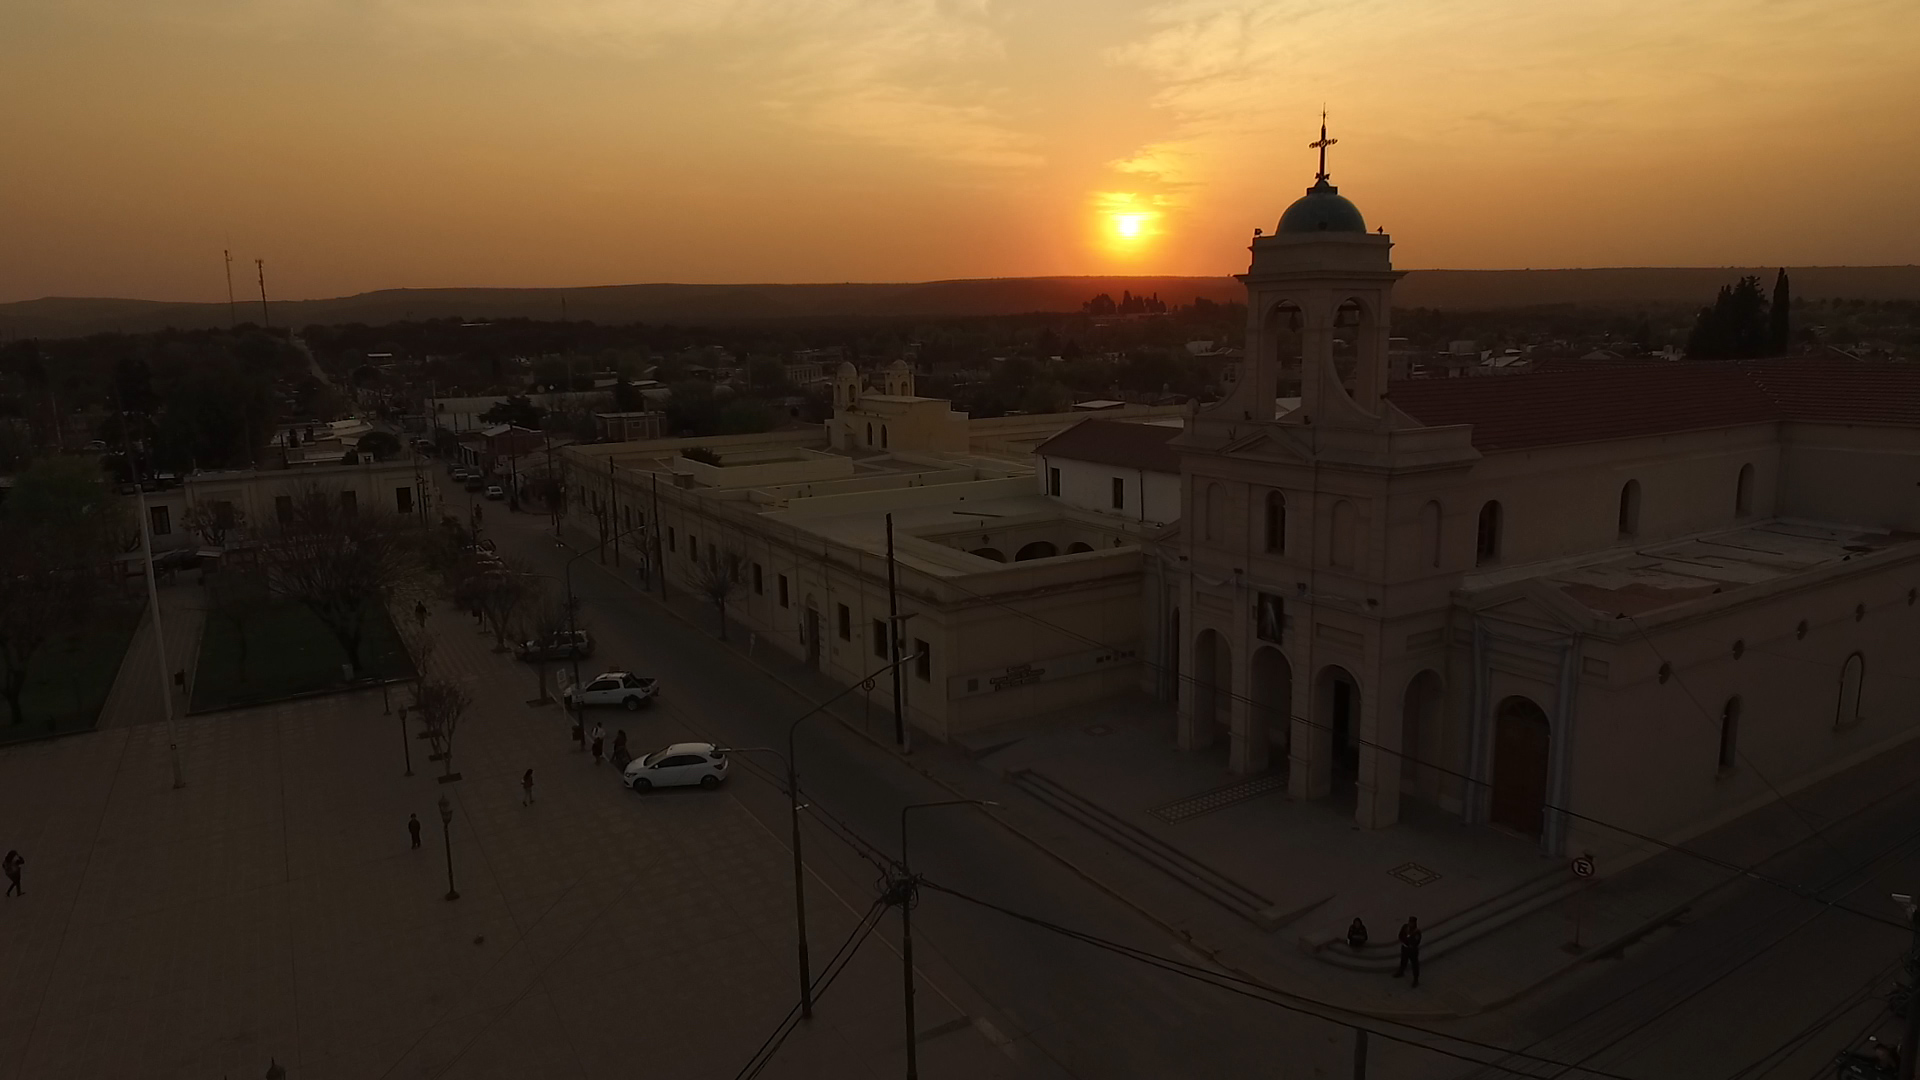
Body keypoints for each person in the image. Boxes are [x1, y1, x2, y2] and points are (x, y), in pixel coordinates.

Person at [1394, 916, 1422, 988]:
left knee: (1414, 964)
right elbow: (1400, 935)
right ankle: (1401, 971)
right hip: (1405, 948)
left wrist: (1407, 942)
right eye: (1410, 922)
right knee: (1403, 960)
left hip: (1412, 951)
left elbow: (1415, 942)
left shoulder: (1417, 932)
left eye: (1412, 923)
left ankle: (1416, 979)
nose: (1410, 924)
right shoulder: (1405, 927)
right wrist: (1405, 941)